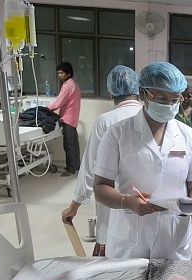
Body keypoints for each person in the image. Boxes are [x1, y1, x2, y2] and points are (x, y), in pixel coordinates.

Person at [93, 62, 192, 259]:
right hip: (129, 236)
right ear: (142, 93)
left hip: (173, 235)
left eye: (174, 99)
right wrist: (127, 201)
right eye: (161, 98)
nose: (168, 105)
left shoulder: (189, 137)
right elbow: (100, 187)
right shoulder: (117, 134)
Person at [61, 65, 142, 256]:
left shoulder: (106, 121)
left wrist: (75, 206)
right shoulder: (150, 120)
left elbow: (91, 168)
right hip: (146, 205)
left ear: (111, 92)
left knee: (111, 267)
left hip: (113, 203)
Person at [48, 62, 81, 177]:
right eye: (58, 73)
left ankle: (70, 169)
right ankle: (76, 165)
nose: (59, 75)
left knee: (68, 145)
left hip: (67, 119)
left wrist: (44, 109)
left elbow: (58, 102)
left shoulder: (67, 85)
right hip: (73, 118)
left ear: (69, 73)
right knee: (74, 144)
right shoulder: (74, 85)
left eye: (61, 73)